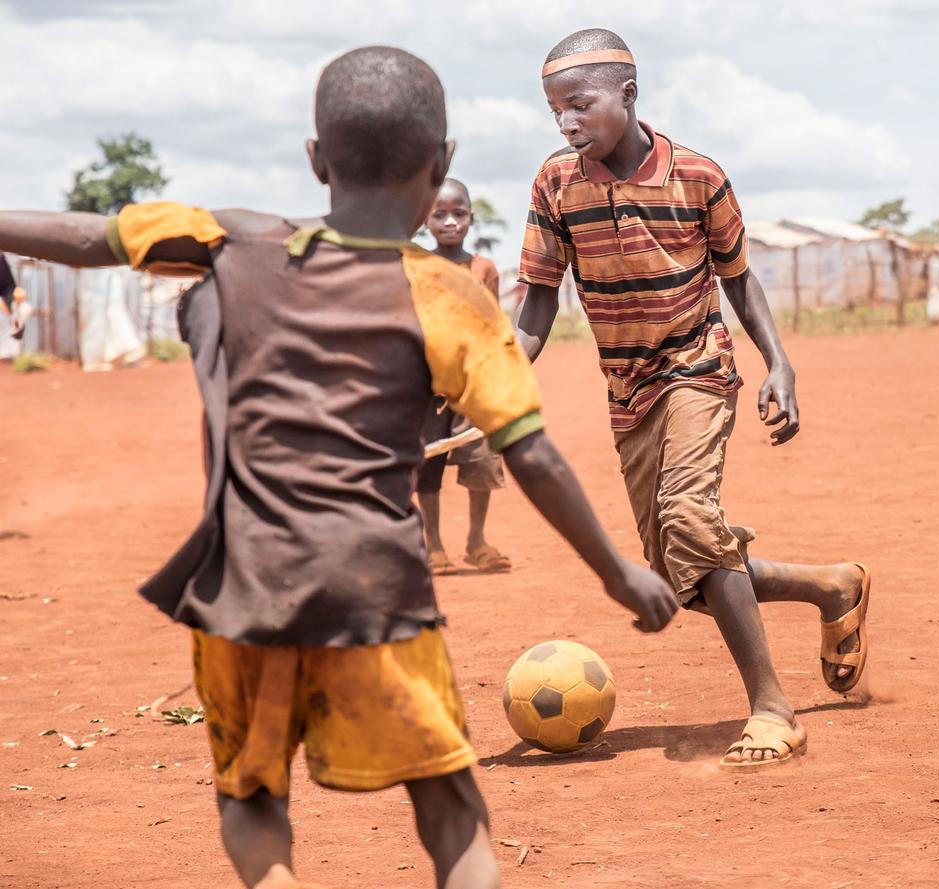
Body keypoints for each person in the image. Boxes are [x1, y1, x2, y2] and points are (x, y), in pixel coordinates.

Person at [0, 46, 677, 889]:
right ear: (443, 166)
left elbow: (84, 237)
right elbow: (528, 452)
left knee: (252, 801)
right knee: (451, 806)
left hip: (238, 591)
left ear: (317, 160)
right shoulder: (451, 296)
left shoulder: (229, 240)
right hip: (373, 590)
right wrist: (617, 573)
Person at [516, 28, 871, 769]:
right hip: (627, 387)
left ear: (629, 94)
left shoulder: (699, 176)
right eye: (555, 111)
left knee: (688, 518)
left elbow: (739, 277)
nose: (566, 123)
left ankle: (774, 708)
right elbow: (538, 302)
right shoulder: (556, 184)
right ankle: (833, 585)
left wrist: (781, 363)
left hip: (697, 367)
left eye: (579, 105)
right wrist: (497, 375)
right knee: (684, 573)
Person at [418, 178, 512, 574]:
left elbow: (492, 323)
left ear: (471, 219)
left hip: (474, 383)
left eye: (459, 214)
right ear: (426, 220)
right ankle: (434, 544)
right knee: (428, 464)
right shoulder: (419, 267)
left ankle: (476, 540)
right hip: (429, 386)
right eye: (439, 214)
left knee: (481, 459)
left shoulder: (484, 268)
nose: (450, 222)